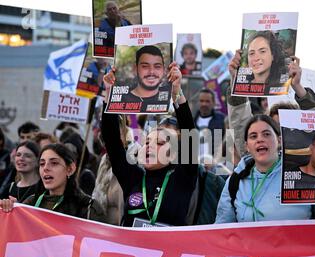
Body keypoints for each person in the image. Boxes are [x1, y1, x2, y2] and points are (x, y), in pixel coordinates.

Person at [101, 62, 198, 227]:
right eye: (147, 141)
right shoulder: (133, 177)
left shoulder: (182, 178)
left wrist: (176, 93)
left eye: (160, 143)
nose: (150, 146)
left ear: (175, 154)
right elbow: (111, 140)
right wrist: (110, 95)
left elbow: (190, 135)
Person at [215, 115, 315, 223]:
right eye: (253, 136)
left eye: (266, 134)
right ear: (247, 146)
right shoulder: (236, 180)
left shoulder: (304, 174)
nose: (260, 139)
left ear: (279, 141)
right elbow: (222, 228)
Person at [227, 50, 315, 157]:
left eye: (287, 127)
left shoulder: (313, 160)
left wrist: (297, 86)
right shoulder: (257, 159)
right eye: (274, 129)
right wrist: (237, 81)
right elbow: (240, 123)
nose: (281, 135)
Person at [0, 143, 105, 222]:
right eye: (42, 164)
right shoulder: (31, 202)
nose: (45, 168)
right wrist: (13, 211)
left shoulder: (89, 207)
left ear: (70, 169)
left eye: (54, 163)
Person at [194, 88, 225, 160]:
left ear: (214, 103)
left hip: (214, 164)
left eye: (207, 101)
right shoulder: (192, 121)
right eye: (201, 101)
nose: (204, 104)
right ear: (198, 102)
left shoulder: (222, 119)